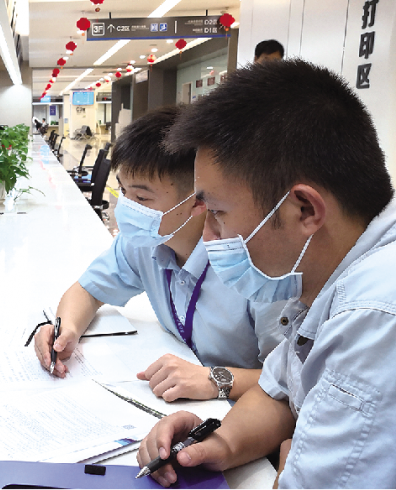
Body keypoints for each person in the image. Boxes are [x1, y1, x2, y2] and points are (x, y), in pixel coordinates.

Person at [136, 60, 396, 488]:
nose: (208, 235)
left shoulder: (373, 318)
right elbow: (278, 391)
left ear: (304, 209)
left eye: (218, 212)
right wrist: (219, 442)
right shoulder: (324, 275)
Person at [34, 106, 284, 402]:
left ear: (199, 201)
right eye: (123, 192)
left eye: (142, 197)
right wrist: (66, 330)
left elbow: (293, 379)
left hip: (243, 410)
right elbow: (87, 291)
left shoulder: (253, 267)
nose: (127, 208)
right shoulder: (144, 241)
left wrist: (214, 380)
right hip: (181, 402)